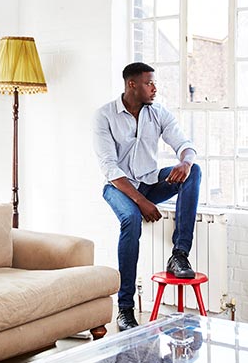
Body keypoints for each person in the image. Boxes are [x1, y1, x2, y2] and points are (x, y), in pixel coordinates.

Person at [93, 62, 201, 331]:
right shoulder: (105, 116)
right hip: (119, 187)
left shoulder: (158, 112)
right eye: (148, 83)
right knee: (130, 220)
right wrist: (142, 202)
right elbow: (110, 168)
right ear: (132, 84)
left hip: (151, 182)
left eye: (154, 83)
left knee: (195, 171)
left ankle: (179, 254)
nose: (154, 88)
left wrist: (185, 163)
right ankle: (126, 309)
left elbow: (184, 144)